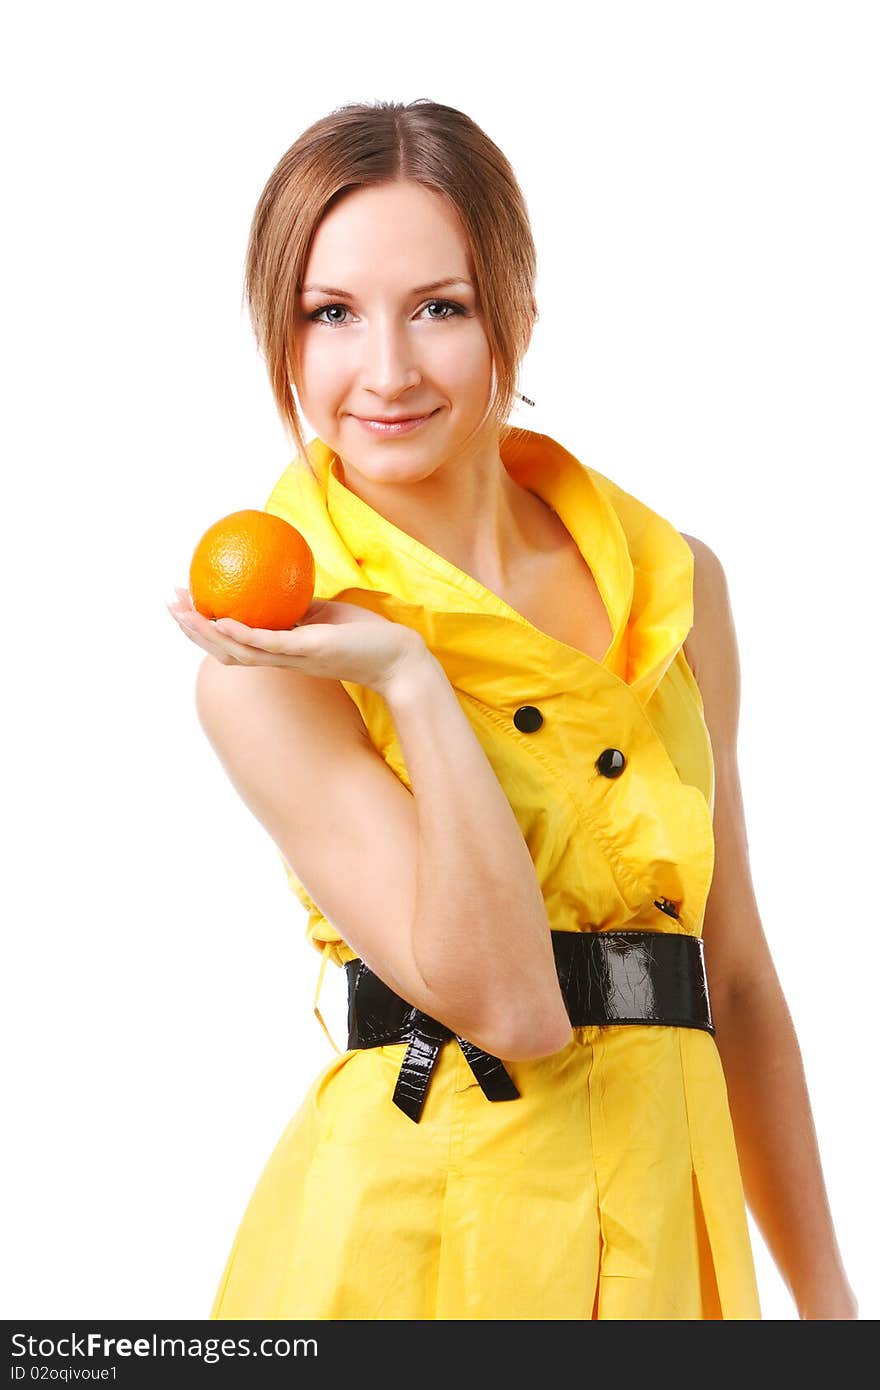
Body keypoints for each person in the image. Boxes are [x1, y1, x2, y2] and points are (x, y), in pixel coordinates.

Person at [167, 99, 857, 1320]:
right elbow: (508, 1006)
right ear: (281, 333)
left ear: (514, 316)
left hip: (663, 1232)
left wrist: (832, 1309)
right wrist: (411, 682)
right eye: (330, 313)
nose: (384, 370)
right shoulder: (266, 669)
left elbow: (734, 975)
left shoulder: (672, 589)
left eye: (440, 307)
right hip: (427, 1241)